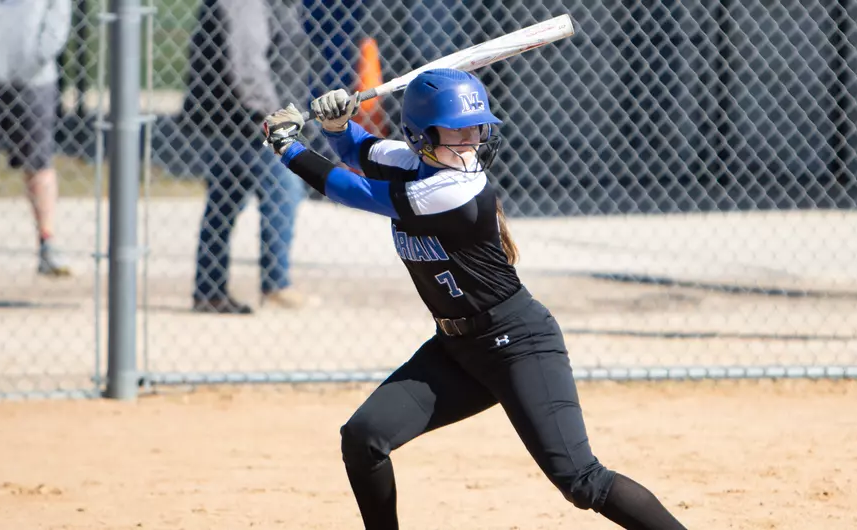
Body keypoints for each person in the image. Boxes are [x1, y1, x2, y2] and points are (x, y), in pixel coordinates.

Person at [262, 69, 687, 529]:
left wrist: (289, 147)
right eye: (457, 129)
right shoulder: (412, 162)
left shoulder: (456, 189)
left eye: (476, 128)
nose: (471, 140)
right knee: (364, 437)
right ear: (422, 136)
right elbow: (363, 153)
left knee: (581, 480)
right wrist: (337, 127)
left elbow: (355, 189)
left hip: (519, 343)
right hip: (457, 350)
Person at [183, 0, 307, 314]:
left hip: (234, 122)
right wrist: (274, 117)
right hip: (251, 124)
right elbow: (248, 66)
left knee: (223, 203)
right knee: (284, 194)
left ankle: (208, 291)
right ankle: (276, 283)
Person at [0, 0, 73, 277]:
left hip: (36, 78)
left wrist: (36, 57)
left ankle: (48, 244)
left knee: (39, 163)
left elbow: (58, 15)